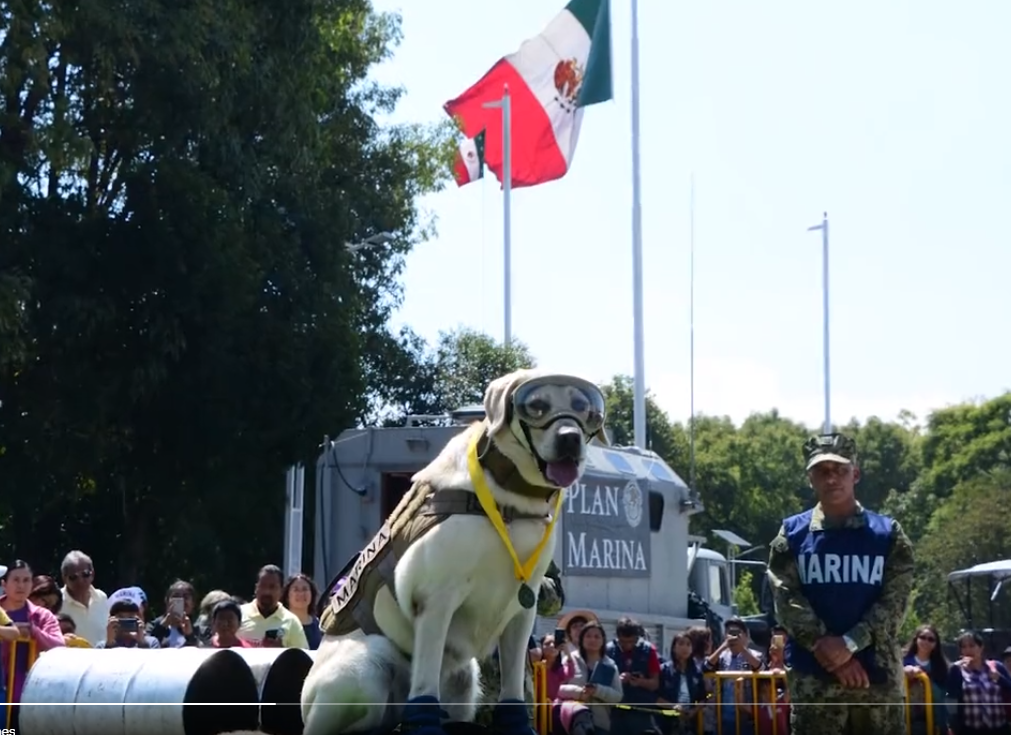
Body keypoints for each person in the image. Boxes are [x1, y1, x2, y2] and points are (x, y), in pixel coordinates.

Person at [766, 432, 914, 735]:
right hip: (815, 684)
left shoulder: (888, 535)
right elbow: (785, 598)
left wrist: (848, 644)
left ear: (855, 474)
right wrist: (828, 650)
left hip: (877, 682)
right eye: (822, 471)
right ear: (810, 479)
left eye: (840, 470)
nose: (831, 478)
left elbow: (894, 604)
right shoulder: (792, 535)